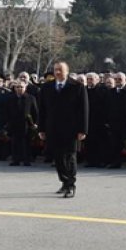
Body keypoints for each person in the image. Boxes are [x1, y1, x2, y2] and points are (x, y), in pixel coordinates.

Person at [38, 61, 88, 198]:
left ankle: (71, 185)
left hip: (71, 129)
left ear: (67, 71)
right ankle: (64, 182)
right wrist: (41, 129)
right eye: (55, 70)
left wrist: (83, 130)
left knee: (70, 156)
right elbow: (42, 110)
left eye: (60, 70)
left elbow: (83, 110)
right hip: (53, 128)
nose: (58, 72)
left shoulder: (77, 86)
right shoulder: (47, 87)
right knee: (58, 157)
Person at [3, 80, 39, 166]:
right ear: (15, 88)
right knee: (15, 143)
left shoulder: (31, 98)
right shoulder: (10, 98)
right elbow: (6, 112)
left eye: (21, 87)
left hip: (26, 124)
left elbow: (35, 112)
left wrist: (36, 123)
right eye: (17, 87)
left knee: (26, 143)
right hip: (14, 124)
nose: (19, 89)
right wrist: (7, 123)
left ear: (25, 88)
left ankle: (27, 160)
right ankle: (16, 160)